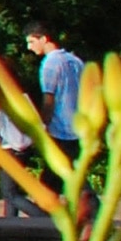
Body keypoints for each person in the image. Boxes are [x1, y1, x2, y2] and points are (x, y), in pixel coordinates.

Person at [25, 21, 85, 151]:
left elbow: (49, 101)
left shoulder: (50, 64)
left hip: (60, 132)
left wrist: (42, 128)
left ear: (44, 39)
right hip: (80, 130)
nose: (29, 47)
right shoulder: (76, 61)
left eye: (31, 41)